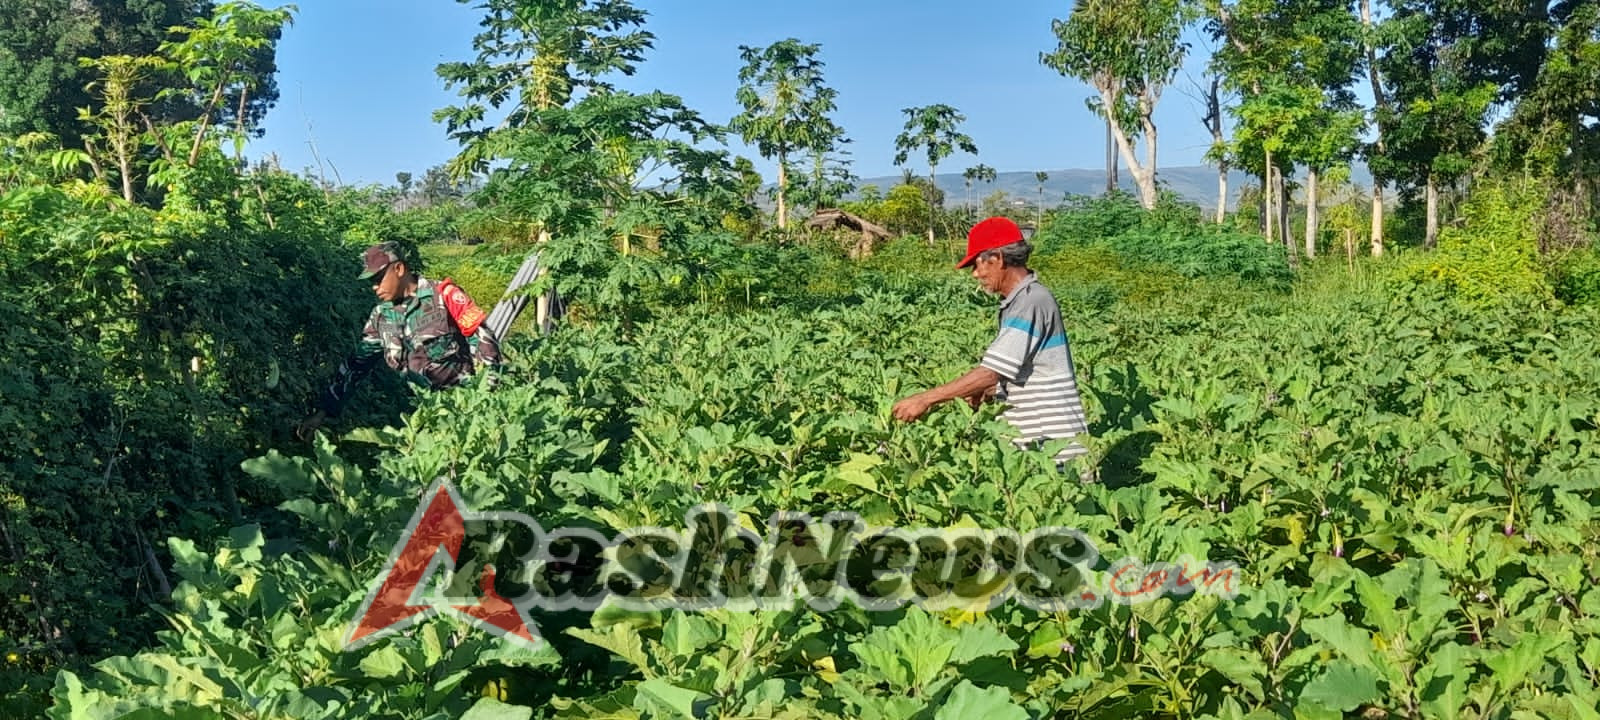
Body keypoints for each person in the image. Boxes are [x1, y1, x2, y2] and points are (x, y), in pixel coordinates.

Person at [890, 216, 1092, 477]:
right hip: (1038, 447)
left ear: (997, 258)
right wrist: (988, 391)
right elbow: (1021, 371)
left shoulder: (1031, 302)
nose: (976, 275)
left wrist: (925, 399)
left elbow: (991, 371)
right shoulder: (1022, 300)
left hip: (1052, 449)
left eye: (977, 265)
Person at [297, 241, 503, 439]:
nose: (374, 287)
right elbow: (356, 366)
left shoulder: (444, 295)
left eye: (378, 279)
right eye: (371, 282)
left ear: (399, 268)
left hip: (463, 415)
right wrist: (323, 412)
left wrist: (486, 398)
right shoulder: (381, 317)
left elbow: (484, 340)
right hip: (415, 426)